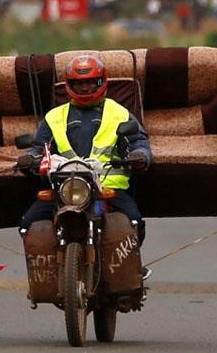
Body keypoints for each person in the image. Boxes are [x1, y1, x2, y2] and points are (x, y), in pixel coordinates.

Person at [17, 55, 153, 275]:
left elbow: (139, 141)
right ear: (69, 86)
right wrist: (29, 158)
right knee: (27, 223)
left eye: (90, 82)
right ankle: (49, 269)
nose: (84, 88)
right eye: (78, 83)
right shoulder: (54, 117)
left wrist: (140, 155)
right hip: (65, 189)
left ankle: (131, 268)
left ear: (102, 82)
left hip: (107, 189)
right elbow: (38, 147)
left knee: (134, 222)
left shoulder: (119, 113)